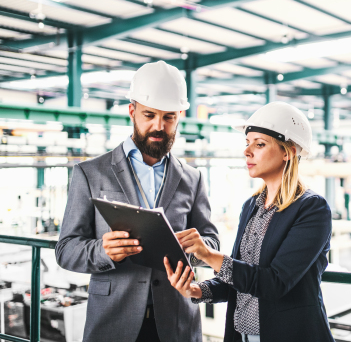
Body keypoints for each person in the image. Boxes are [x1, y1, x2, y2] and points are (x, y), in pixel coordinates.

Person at [55, 61, 219, 342]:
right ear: (132, 111)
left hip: (176, 323)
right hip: (113, 322)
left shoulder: (192, 178)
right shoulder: (91, 173)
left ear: (180, 115)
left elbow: (212, 242)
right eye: (149, 115)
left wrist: (196, 249)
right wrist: (103, 251)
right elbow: (66, 250)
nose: (159, 126)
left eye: (168, 117)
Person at [164, 101, 335, 342]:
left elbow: (275, 283)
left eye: (260, 144)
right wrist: (196, 290)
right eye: (247, 143)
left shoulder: (311, 209)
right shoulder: (251, 206)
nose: (247, 151)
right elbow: (237, 279)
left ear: (288, 151)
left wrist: (208, 255)